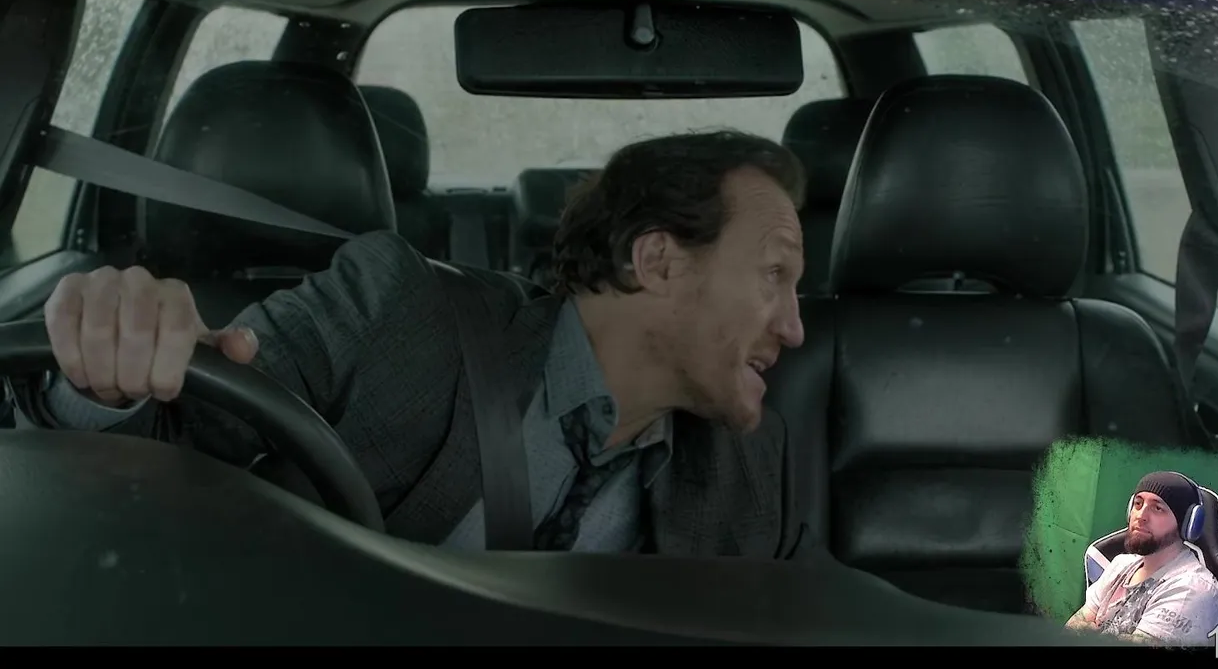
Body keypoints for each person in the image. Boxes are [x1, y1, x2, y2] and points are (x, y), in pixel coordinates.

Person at [13, 129, 809, 557]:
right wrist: (104, 366)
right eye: (775, 274)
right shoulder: (398, 311)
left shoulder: (755, 462)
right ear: (659, 260)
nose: (795, 326)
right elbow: (163, 449)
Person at [1064, 471, 1218, 646]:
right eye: (1138, 504)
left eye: (1157, 508)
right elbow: (1070, 629)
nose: (1141, 516)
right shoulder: (1120, 565)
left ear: (1187, 522)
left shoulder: (1191, 588)